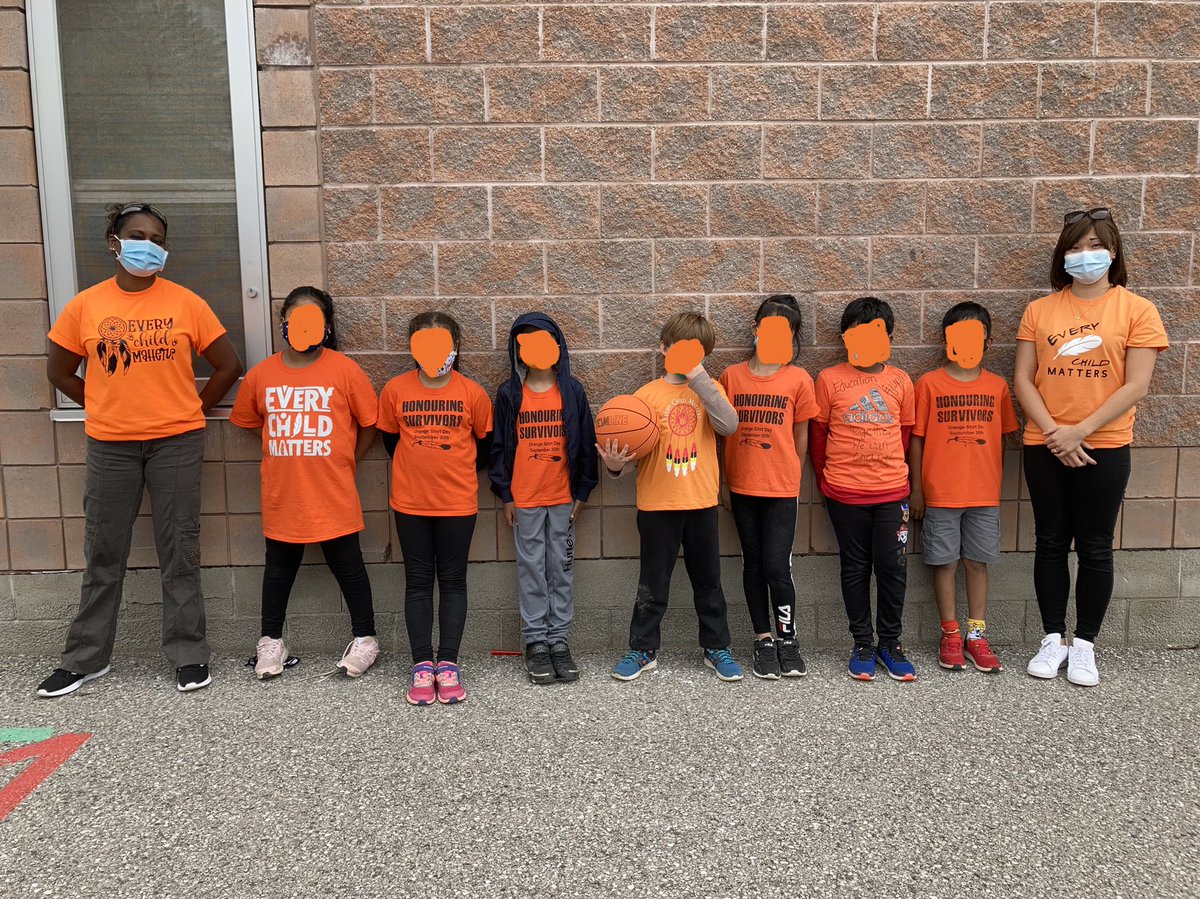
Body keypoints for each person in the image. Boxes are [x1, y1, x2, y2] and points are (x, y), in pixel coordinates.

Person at [37, 202, 243, 697]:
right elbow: (59, 371)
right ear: (114, 241)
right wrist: (105, 405)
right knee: (103, 553)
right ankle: (85, 658)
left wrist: (192, 408)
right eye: (136, 234)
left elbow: (228, 365)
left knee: (180, 550)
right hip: (111, 446)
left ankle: (189, 654)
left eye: (156, 238)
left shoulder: (186, 303)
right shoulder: (85, 305)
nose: (147, 245)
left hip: (176, 442)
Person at [1015, 207, 1168, 687]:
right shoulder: (1041, 310)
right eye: (1075, 248)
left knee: (1096, 547)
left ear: (1113, 252)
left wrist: (1077, 431)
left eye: (1093, 246)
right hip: (1045, 444)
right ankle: (1052, 639)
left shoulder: (1136, 309)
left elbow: (1136, 384)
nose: (1084, 256)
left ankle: (1085, 646)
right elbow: (1023, 378)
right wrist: (1055, 433)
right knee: (1051, 542)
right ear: (1062, 257)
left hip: (1104, 444)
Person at [230, 286, 381, 680]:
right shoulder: (263, 374)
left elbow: (370, 424)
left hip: (333, 491)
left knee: (348, 566)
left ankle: (366, 638)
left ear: (327, 327)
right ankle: (271, 641)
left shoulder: (344, 370)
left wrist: (348, 459)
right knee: (278, 568)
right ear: (284, 322)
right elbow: (249, 423)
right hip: (284, 493)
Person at [600, 311, 743, 683]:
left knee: (709, 582)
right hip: (657, 506)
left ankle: (716, 647)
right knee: (652, 582)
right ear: (663, 348)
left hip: (701, 504)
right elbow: (634, 457)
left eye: (695, 353)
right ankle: (643, 648)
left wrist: (699, 378)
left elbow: (729, 425)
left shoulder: (710, 390)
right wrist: (616, 465)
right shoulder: (645, 397)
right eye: (679, 350)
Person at [377, 312, 493, 706]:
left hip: (458, 503)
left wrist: (453, 472)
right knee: (418, 582)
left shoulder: (472, 393)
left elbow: (485, 446)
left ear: (455, 348)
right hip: (409, 503)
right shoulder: (395, 390)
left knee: (454, 580)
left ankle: (448, 664)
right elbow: (390, 442)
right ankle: (421, 665)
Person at [908, 302, 1019, 674]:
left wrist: (992, 482)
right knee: (944, 562)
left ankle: (976, 634)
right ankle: (950, 633)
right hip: (940, 492)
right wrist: (919, 489)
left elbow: (1003, 438)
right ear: (947, 340)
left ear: (988, 340)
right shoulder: (929, 384)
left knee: (977, 562)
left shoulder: (997, 386)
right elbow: (918, 439)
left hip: (983, 494)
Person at [811, 297, 916, 682]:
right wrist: (827, 479)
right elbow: (819, 435)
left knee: (893, 568)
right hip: (843, 493)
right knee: (855, 568)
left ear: (888, 337)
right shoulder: (828, 379)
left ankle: (891, 643)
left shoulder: (901, 381)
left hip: (892, 493)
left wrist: (895, 478)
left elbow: (904, 435)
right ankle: (863, 643)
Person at [490, 313, 598, 685]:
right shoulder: (509, 394)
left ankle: (559, 641)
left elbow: (585, 442)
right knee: (532, 568)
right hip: (525, 499)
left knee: (561, 569)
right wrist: (505, 493)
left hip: (563, 498)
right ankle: (536, 641)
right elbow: (500, 448)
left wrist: (582, 491)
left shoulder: (571, 391)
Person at [718, 295, 818, 679]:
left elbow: (801, 439)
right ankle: (762, 640)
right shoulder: (732, 376)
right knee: (753, 565)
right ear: (756, 330)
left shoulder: (798, 379)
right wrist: (726, 484)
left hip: (780, 489)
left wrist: (791, 480)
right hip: (743, 488)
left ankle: (787, 640)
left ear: (793, 337)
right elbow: (724, 434)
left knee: (778, 567)